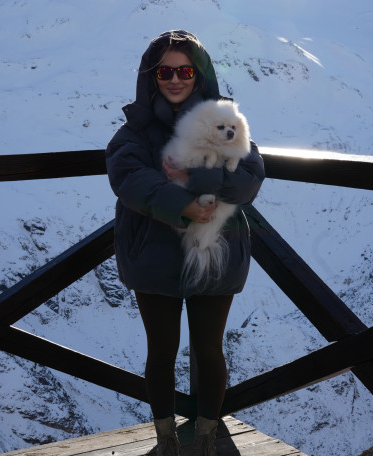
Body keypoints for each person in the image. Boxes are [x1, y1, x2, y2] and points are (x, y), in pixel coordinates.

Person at [105, 30, 265, 456]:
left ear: (199, 75)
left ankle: (206, 439)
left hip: (214, 252)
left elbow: (249, 178)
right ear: (151, 76)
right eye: (165, 72)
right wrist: (185, 205)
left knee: (210, 350)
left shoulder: (225, 119)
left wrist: (192, 182)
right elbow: (129, 178)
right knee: (162, 352)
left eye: (185, 71)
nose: (175, 79)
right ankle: (167, 441)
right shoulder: (135, 132)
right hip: (155, 258)